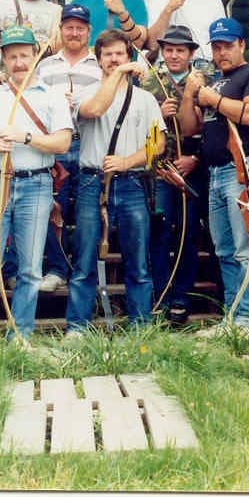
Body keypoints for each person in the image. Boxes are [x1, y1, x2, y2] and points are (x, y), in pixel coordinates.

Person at [0, 25, 73, 354]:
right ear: (4, 59)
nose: (19, 62)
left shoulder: (51, 96)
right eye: (12, 57)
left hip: (36, 184)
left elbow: (62, 142)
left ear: (34, 59)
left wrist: (26, 137)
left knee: (30, 267)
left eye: (25, 55)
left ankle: (20, 333)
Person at [179, 18, 249, 338]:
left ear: (242, 45)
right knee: (223, 250)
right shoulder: (212, 82)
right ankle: (232, 318)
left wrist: (213, 100)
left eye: (228, 46)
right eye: (217, 46)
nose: (222, 52)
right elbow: (191, 128)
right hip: (216, 172)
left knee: (246, 248)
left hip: (245, 169)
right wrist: (191, 95)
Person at [65, 29, 165, 335]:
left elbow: (157, 144)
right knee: (84, 260)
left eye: (119, 54)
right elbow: (95, 109)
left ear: (129, 56)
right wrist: (119, 73)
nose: (113, 59)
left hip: (132, 184)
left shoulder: (145, 99)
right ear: (98, 60)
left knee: (138, 262)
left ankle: (140, 328)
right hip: (92, 183)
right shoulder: (86, 94)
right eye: (107, 54)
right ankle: (77, 328)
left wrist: (127, 161)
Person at [140, 25, 209, 327]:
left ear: (191, 53)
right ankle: (160, 295)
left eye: (180, 50)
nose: (174, 55)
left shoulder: (206, 82)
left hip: (193, 169)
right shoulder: (149, 82)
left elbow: (216, 130)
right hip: (160, 170)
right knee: (160, 233)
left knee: (188, 234)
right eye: (169, 49)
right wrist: (157, 111)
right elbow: (141, 130)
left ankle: (181, 298)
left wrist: (196, 159)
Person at [35, 3, 102, 292]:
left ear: (88, 32)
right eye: (69, 27)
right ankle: (57, 268)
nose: (74, 32)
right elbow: (35, 105)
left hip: (89, 145)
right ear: (60, 30)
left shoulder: (100, 65)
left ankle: (84, 272)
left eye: (80, 28)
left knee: (88, 214)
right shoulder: (45, 66)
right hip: (57, 147)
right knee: (53, 209)